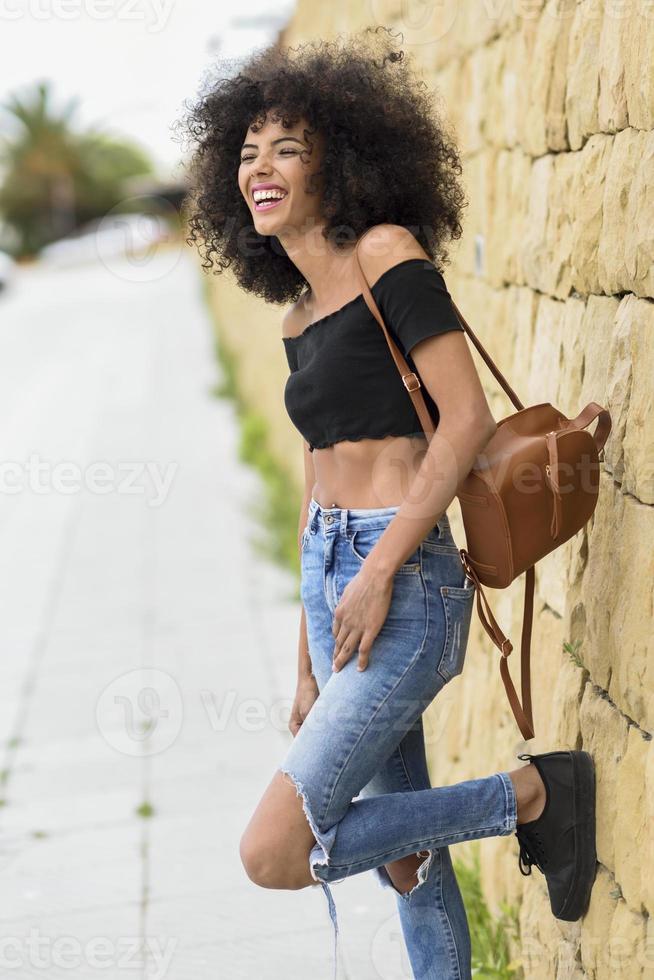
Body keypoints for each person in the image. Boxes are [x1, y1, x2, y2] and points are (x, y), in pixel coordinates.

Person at [182, 28, 597, 980]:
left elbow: (463, 422)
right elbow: (314, 486)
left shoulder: (385, 256)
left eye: (288, 147)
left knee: (276, 850)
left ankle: (530, 795)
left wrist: (372, 577)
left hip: (405, 584)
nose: (262, 169)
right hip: (336, 578)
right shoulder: (295, 317)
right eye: (247, 154)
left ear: (344, 157)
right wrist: (306, 663)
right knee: (405, 859)